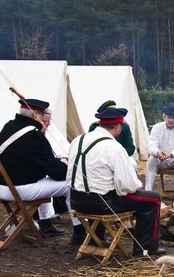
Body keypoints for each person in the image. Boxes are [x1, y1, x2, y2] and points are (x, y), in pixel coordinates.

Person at [67, 107, 165, 254]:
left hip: (75, 200)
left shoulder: (78, 140)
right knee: (153, 200)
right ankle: (145, 248)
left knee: (100, 189)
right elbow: (128, 186)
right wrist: (137, 185)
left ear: (100, 124)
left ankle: (96, 239)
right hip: (101, 204)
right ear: (119, 127)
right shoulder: (114, 147)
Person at [0, 98, 81, 239]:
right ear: (35, 115)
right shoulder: (33, 135)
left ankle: (45, 225)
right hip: (17, 188)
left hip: (1, 186)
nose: (47, 121)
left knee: (43, 179)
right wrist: (64, 162)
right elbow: (58, 173)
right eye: (44, 116)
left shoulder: (9, 126)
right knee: (71, 185)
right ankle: (79, 232)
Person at [145, 105, 174, 192]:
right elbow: (151, 146)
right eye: (169, 117)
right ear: (164, 117)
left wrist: (171, 154)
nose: (171, 120)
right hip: (161, 159)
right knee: (151, 159)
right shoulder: (157, 127)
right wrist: (158, 152)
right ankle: (148, 191)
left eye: (173, 118)